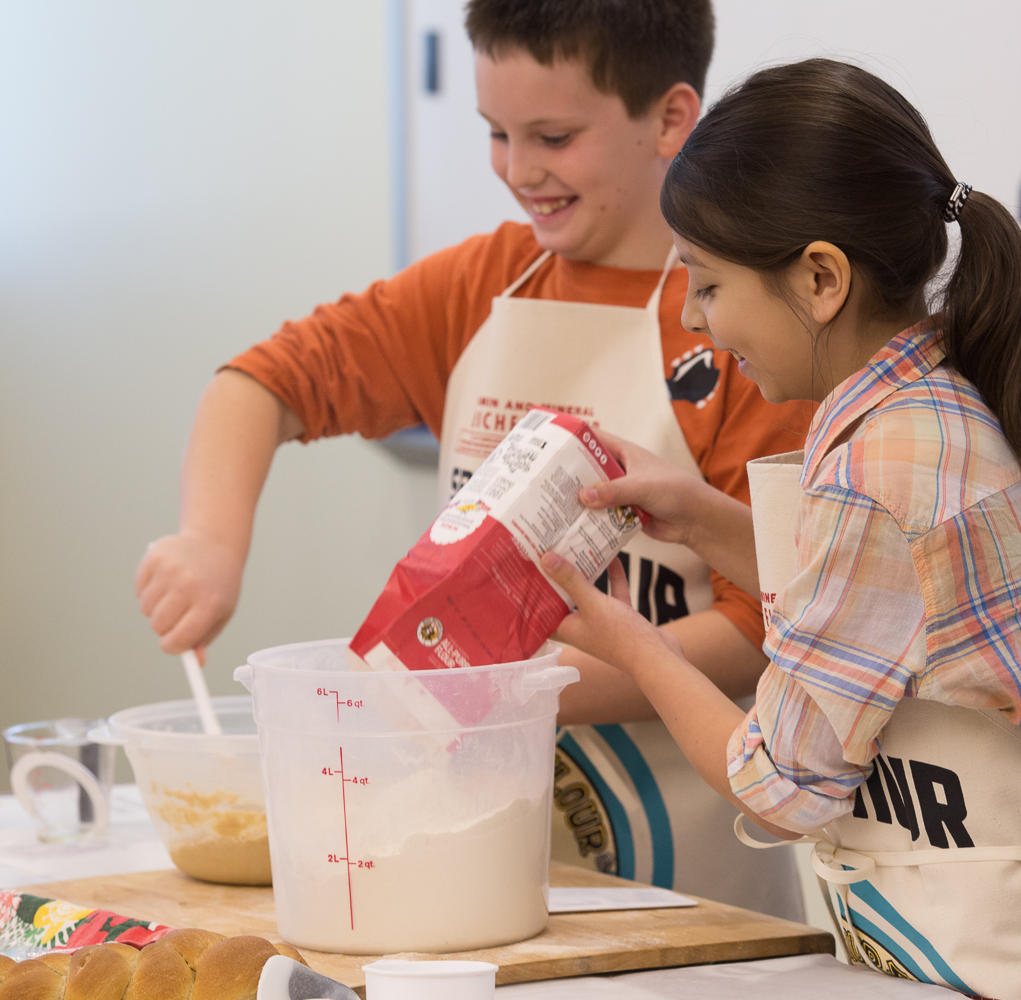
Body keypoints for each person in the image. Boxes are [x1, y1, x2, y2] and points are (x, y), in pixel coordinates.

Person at [133, 0, 813, 920]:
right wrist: (210, 541)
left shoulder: (747, 327)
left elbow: (769, 620)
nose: (520, 169)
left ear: (670, 118)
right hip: (472, 839)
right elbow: (264, 384)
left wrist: (522, 687)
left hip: (685, 875)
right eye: (497, 133)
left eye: (555, 136)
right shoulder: (480, 287)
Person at [539, 58, 1021, 999]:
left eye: (710, 285)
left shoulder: (873, 470)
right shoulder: (948, 400)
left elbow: (778, 784)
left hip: (1003, 955)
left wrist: (629, 648)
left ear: (819, 278)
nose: (696, 319)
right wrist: (704, 520)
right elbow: (894, 607)